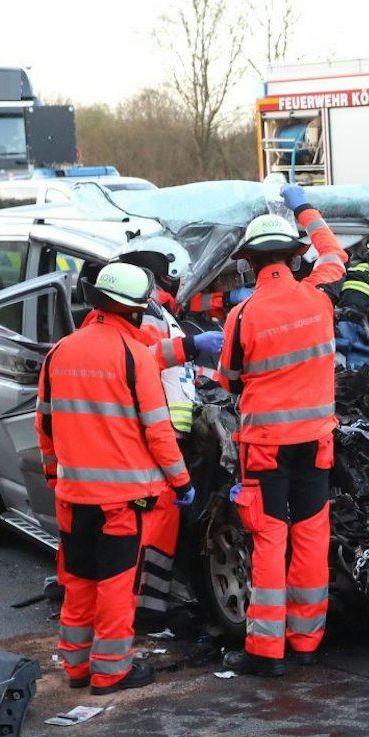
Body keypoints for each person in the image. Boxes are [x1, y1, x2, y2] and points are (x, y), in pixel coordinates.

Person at [38, 261, 193, 694]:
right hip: (122, 502)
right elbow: (159, 431)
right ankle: (110, 670)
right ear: (134, 311)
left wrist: (56, 477)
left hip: (73, 499)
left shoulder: (60, 353)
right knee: (115, 585)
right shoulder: (133, 358)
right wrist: (181, 483)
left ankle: (76, 666)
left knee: (79, 581)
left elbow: (45, 425)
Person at [216, 181, 348, 678]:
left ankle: (266, 651)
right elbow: (334, 253)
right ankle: (307, 639)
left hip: (266, 447)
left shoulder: (243, 314)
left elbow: (228, 379)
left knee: (271, 538)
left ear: (249, 263)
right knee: (312, 532)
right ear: (295, 258)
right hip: (316, 440)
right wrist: (306, 208)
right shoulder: (319, 295)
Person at [97, 249, 225, 632]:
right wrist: (190, 347)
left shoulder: (159, 312)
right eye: (171, 274)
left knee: (161, 526)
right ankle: (146, 612)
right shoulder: (146, 315)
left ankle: (151, 606)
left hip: (170, 434)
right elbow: (146, 360)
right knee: (152, 529)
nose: (179, 280)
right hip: (158, 436)